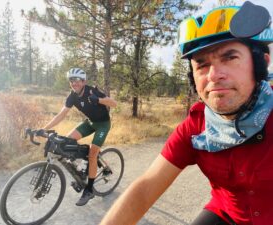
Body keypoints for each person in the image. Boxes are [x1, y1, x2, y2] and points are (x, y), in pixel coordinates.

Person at [100, 1, 273, 225]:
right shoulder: (195, 127)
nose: (213, 75)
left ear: (261, 64)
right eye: (201, 64)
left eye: (230, 57)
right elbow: (144, 189)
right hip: (226, 214)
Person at [40, 67, 117, 206]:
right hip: (90, 123)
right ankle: (81, 171)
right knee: (67, 141)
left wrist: (98, 99)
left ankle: (89, 190)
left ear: (83, 81)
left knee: (93, 154)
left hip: (103, 124)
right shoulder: (72, 96)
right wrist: (43, 129)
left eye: (77, 80)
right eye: (71, 80)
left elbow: (114, 104)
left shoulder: (91, 91)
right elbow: (61, 115)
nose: (74, 83)